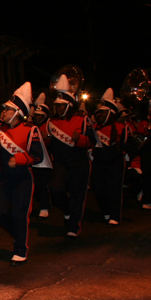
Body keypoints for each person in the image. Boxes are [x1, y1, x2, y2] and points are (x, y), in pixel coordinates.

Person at [0, 82, 49, 266]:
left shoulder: (31, 130)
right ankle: (18, 235)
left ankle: (20, 249)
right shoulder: (0, 129)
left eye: (7, 109)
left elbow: (37, 156)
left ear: (17, 112)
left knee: (19, 214)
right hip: (4, 178)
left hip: (23, 178)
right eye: (4, 109)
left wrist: (19, 160)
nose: (3, 112)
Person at [47, 74, 97, 237]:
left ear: (69, 105)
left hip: (79, 162)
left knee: (77, 194)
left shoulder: (82, 119)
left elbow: (93, 142)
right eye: (56, 105)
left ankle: (73, 226)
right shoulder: (51, 121)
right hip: (60, 163)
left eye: (61, 106)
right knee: (55, 190)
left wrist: (80, 140)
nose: (58, 109)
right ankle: (68, 209)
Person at [91, 89, 130, 226]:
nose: (99, 115)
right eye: (99, 112)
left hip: (115, 163)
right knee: (97, 188)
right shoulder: (94, 127)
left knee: (114, 189)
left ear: (110, 114)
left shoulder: (120, 127)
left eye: (103, 113)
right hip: (98, 163)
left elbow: (126, 145)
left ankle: (115, 215)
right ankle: (106, 210)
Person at [30, 92, 53, 218]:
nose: (37, 117)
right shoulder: (31, 126)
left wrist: (48, 138)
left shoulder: (49, 125)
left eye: (40, 116)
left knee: (43, 185)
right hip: (33, 160)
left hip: (45, 160)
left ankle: (44, 207)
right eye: (36, 115)